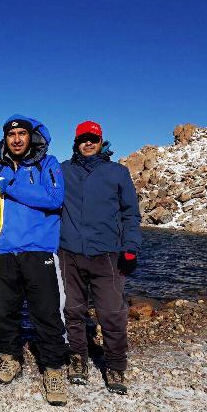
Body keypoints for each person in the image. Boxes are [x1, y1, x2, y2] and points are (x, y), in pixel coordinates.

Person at [0, 115, 68, 406]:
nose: (17, 139)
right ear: (5, 139)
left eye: (22, 134)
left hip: (39, 251)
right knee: (4, 312)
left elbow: (54, 198)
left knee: (46, 312)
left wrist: (10, 187)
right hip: (4, 252)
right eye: (12, 135)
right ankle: (10, 359)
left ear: (31, 137)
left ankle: (54, 368)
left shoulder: (49, 164)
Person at [59, 120, 141, 395]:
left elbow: (131, 212)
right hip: (70, 252)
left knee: (112, 313)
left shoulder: (117, 172)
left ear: (101, 140)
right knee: (73, 310)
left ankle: (116, 365)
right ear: (76, 142)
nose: (88, 143)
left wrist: (131, 247)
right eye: (83, 138)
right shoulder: (63, 170)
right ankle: (78, 358)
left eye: (93, 138)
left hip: (107, 254)